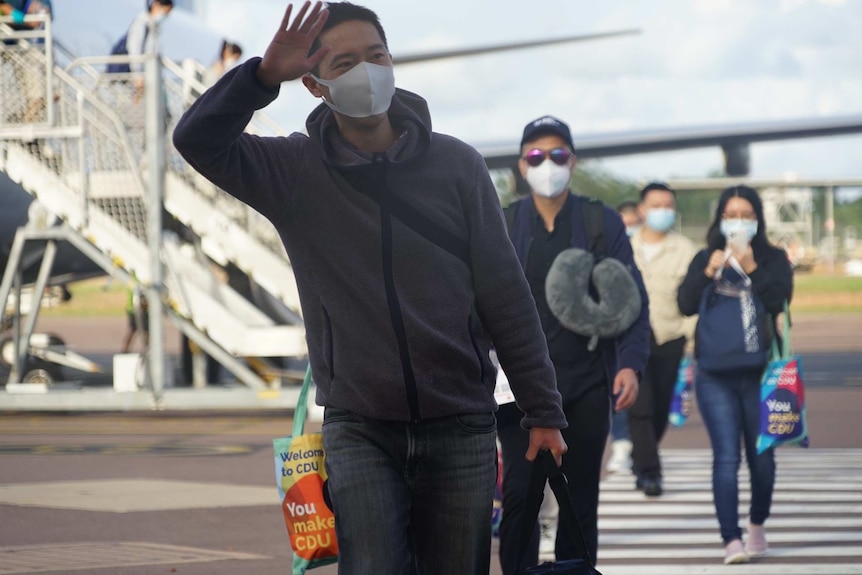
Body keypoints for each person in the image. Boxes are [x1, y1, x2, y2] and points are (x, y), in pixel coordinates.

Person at [172, 3, 568, 573]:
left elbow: (505, 294)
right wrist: (260, 78)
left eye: (376, 56)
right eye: (345, 62)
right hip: (360, 428)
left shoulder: (456, 166)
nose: (366, 71)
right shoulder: (295, 171)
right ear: (314, 85)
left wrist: (542, 409)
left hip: (461, 425)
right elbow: (197, 140)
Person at [496, 115, 650, 573]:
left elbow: (630, 299)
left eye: (558, 155)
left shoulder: (600, 222)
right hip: (517, 389)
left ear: (573, 162)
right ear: (522, 166)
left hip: (584, 383)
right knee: (520, 496)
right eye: (537, 156)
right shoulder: (503, 223)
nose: (548, 164)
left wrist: (630, 365)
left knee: (579, 497)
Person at [677, 185, 793, 564]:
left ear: (758, 219)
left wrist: (753, 266)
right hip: (714, 373)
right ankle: (732, 538)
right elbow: (685, 303)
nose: (738, 222)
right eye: (731, 215)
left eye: (746, 215)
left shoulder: (773, 258)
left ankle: (757, 521)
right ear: (720, 219)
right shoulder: (705, 256)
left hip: (761, 374)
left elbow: (780, 301)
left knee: (763, 459)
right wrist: (710, 269)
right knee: (726, 457)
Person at [627, 182, 697, 496]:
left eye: (668, 206)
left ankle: (641, 454)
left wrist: (691, 338)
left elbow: (694, 298)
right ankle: (649, 472)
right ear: (642, 209)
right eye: (656, 205)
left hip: (670, 337)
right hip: (631, 338)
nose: (662, 212)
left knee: (658, 409)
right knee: (639, 407)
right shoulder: (623, 246)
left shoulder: (685, 250)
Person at [604, 199, 644, 474]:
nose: (627, 229)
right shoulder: (609, 250)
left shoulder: (641, 251)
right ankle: (621, 444)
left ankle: (634, 448)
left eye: (632, 224)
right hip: (610, 335)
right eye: (623, 224)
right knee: (614, 394)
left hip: (641, 335)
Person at [1, 0, 53, 124]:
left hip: (20, 46)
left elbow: (43, 11)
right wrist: (25, 21)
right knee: (38, 96)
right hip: (10, 42)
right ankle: (24, 120)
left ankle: (24, 120)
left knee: (45, 96)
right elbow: (4, 7)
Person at [121, 284, 149, 353]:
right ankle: (125, 350)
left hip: (137, 308)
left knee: (143, 330)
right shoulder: (136, 279)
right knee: (137, 330)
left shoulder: (131, 279)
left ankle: (126, 350)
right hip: (135, 308)